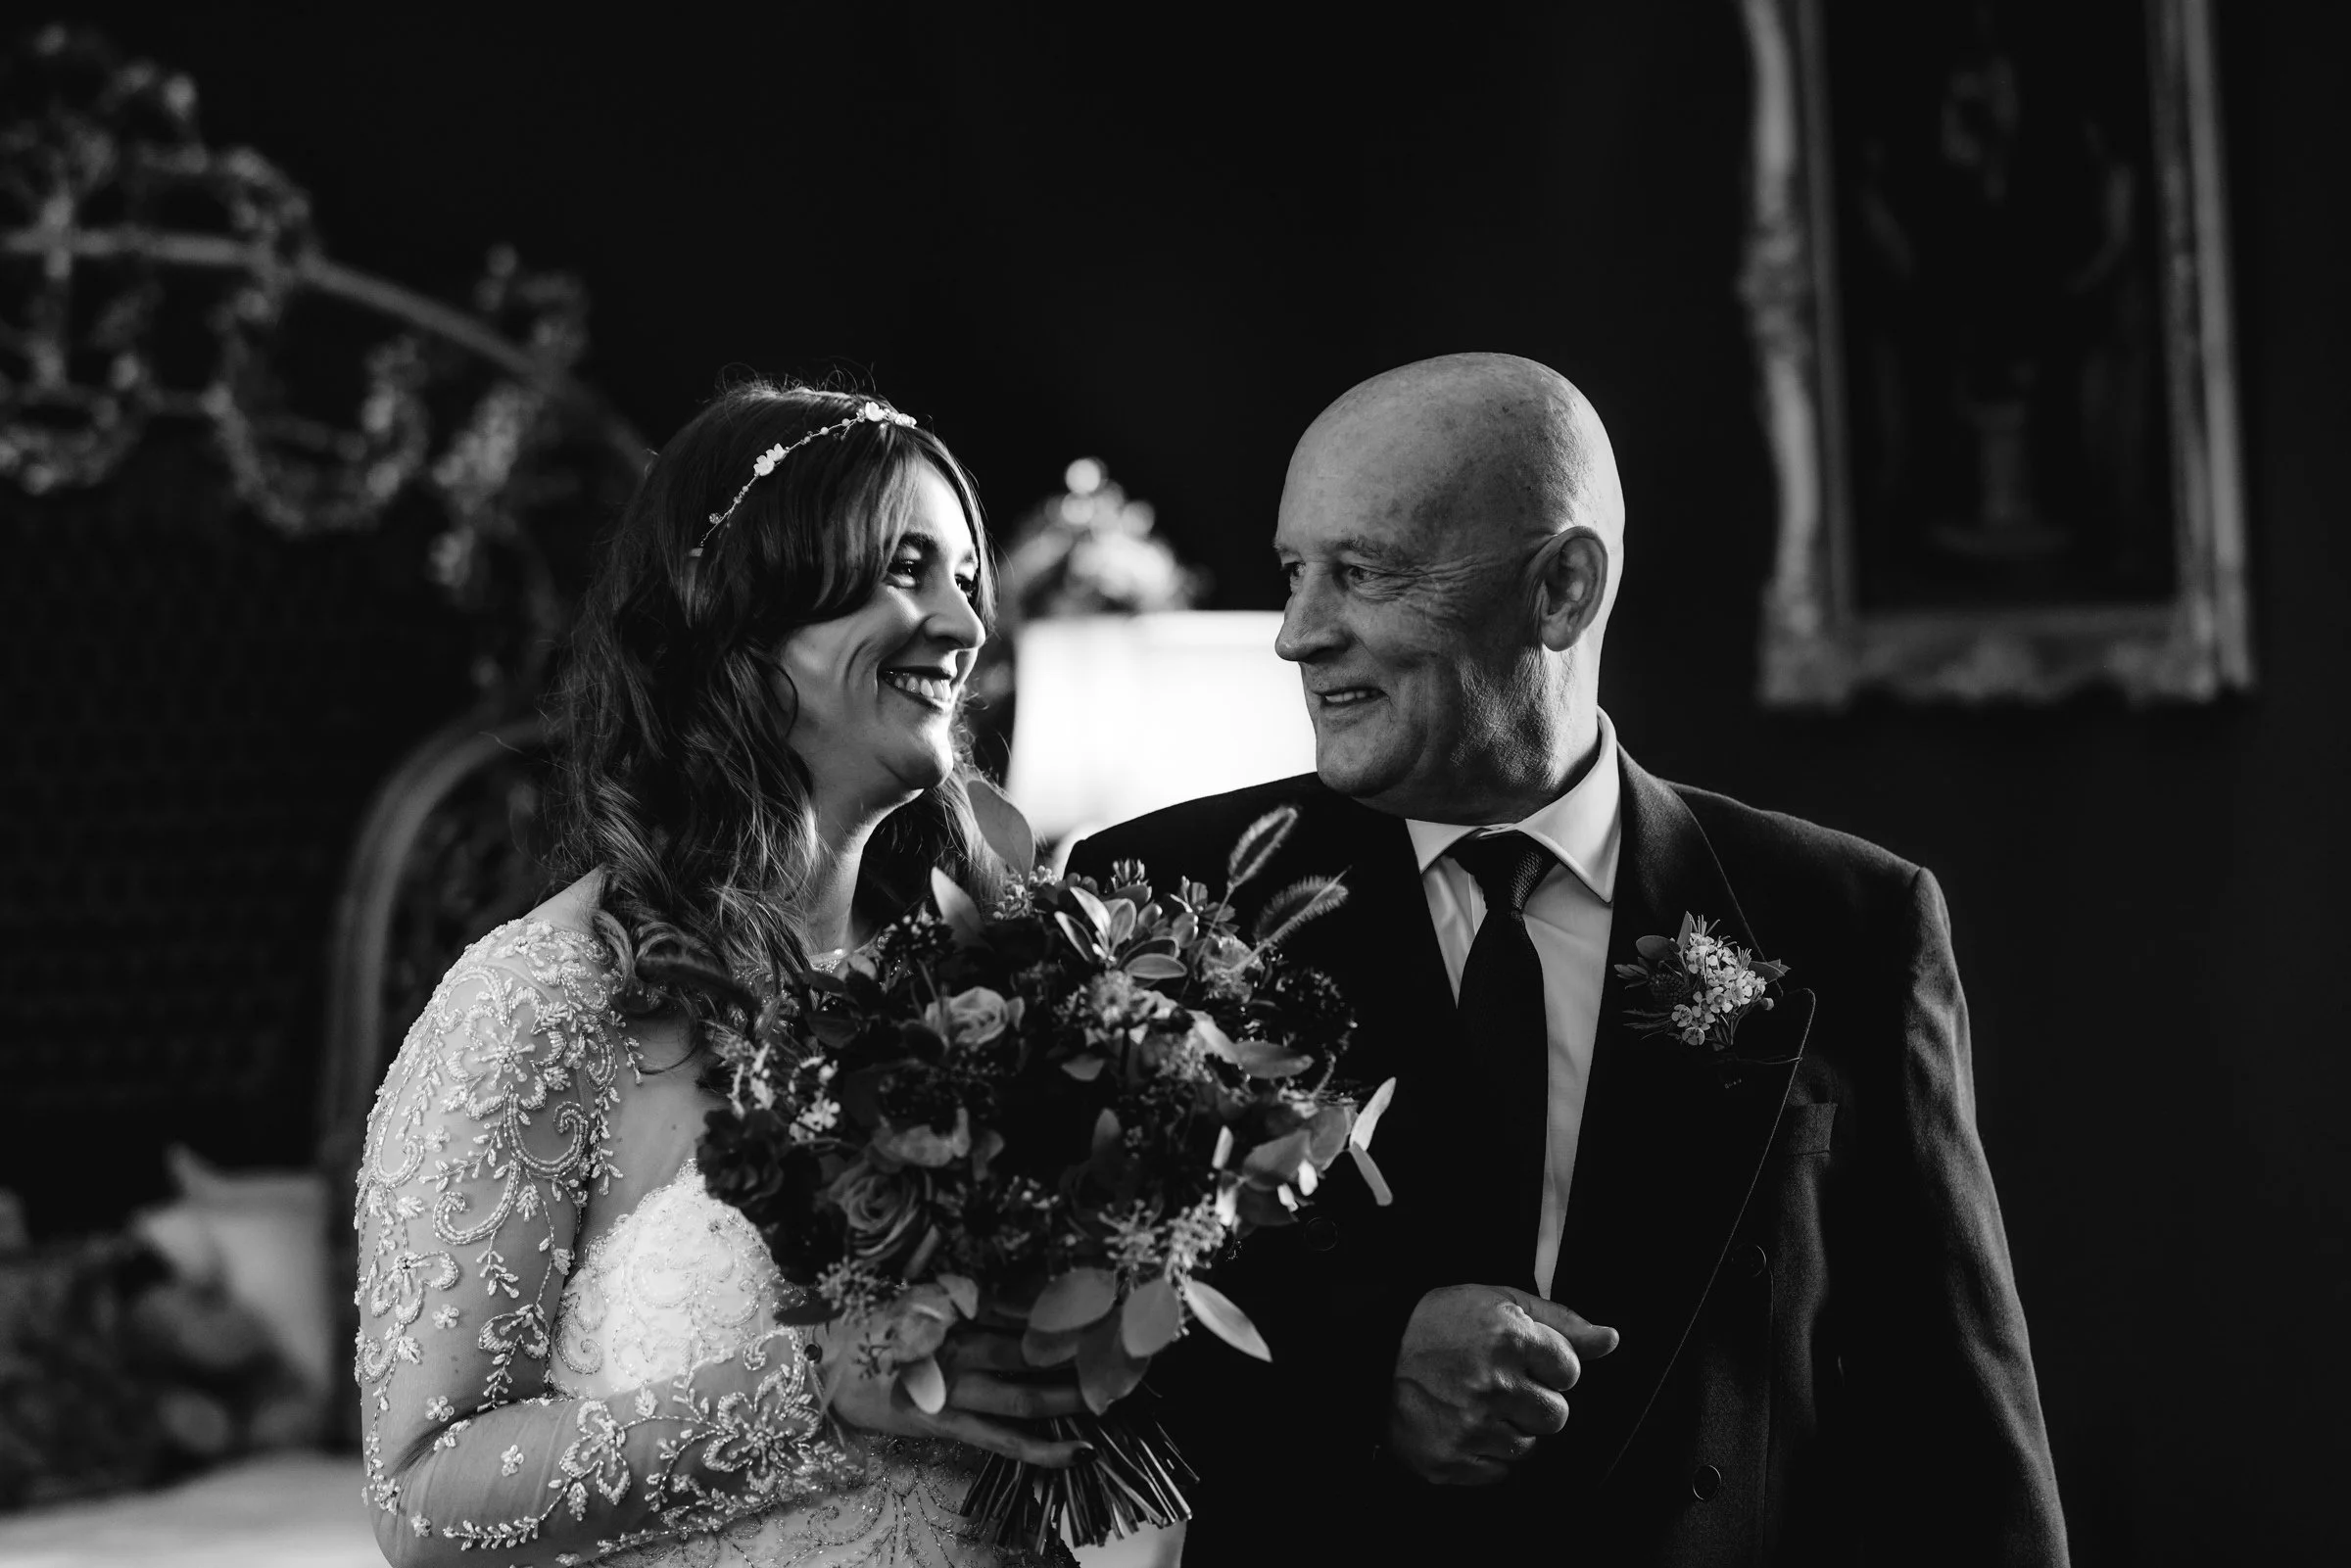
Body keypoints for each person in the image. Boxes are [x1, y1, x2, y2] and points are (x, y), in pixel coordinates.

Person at [1066, 354, 2069, 1564]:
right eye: (1295, 569)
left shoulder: (1846, 919)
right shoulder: (1167, 899)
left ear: (1561, 590)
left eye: (1364, 571)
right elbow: (1064, 1368)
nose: (1297, 633)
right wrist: (1366, 1370)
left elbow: (1956, 1431)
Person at [353, 383, 1178, 1567]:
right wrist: (817, 1389)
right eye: (908, 567)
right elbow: (426, 1499)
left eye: (966, 578)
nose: (963, 623)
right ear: (742, 609)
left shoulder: (995, 988)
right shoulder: (543, 1004)